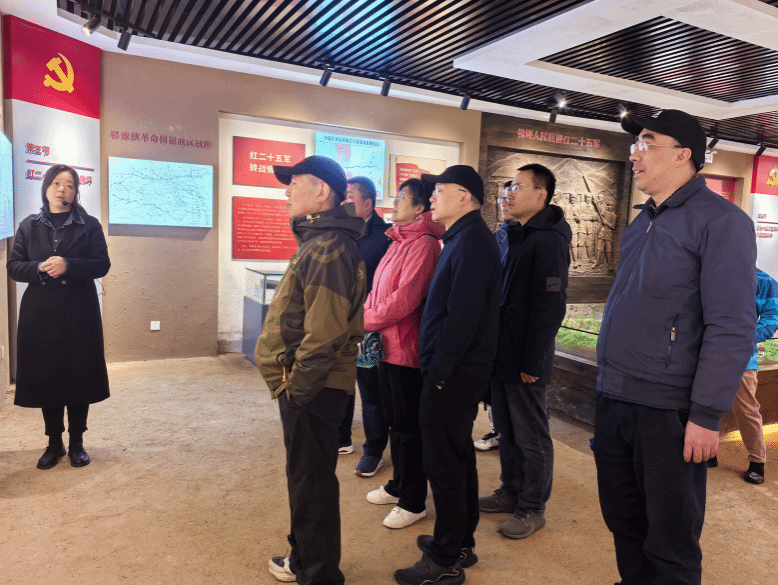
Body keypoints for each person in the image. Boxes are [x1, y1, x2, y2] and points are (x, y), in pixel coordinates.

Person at [594, 109, 757, 585]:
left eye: (646, 143)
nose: (634, 154)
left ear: (683, 155)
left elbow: (732, 326)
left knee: (671, 540)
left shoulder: (722, 221)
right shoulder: (642, 220)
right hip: (615, 395)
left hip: (668, 407)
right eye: (635, 144)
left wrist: (706, 414)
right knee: (623, 519)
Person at [255, 155, 366, 585]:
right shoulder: (321, 241)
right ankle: (304, 558)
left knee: (312, 482)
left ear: (322, 192)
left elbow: (324, 335)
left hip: (313, 387)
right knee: (306, 478)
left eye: (295, 182)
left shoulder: (327, 247)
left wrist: (297, 391)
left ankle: (318, 575)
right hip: (309, 384)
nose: (287, 191)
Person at [394, 166, 500, 585]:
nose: (432, 198)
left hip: (452, 374)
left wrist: (438, 372)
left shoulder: (472, 243)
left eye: (439, 190)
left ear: (464, 196)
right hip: (453, 371)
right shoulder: (461, 237)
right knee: (456, 458)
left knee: (444, 465)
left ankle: (445, 559)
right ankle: (460, 542)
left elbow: (463, 318)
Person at [479, 163, 571, 539]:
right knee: (506, 430)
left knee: (531, 435)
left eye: (517, 187)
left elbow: (551, 306)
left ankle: (532, 507)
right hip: (502, 353)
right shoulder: (514, 234)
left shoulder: (548, 240)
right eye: (507, 188)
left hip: (526, 358)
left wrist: (534, 359)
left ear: (540, 195)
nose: (508, 194)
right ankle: (511, 491)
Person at [7, 164, 111, 469]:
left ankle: (77, 442)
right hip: (40, 312)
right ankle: (54, 443)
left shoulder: (89, 225)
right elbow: (13, 267)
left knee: (80, 374)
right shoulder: (28, 225)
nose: (62, 189)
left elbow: (102, 264)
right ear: (46, 187)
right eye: (56, 183)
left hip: (80, 310)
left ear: (76, 192)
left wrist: (69, 264)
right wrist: (39, 267)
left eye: (69, 184)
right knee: (47, 376)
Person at [363, 178, 444, 529]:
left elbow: (406, 298)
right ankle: (398, 484)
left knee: (408, 426)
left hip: (405, 347)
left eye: (401, 197)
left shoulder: (424, 244)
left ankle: (413, 501)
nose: (394, 202)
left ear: (420, 207)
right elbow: (377, 288)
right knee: (395, 421)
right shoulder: (398, 240)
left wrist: (366, 319)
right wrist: (368, 314)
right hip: (385, 343)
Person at [337, 177, 391, 478]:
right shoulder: (341, 231)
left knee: (371, 392)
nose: (344, 201)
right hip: (339, 321)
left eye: (350, 197)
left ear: (367, 204)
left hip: (369, 327)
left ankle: (374, 450)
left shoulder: (386, 237)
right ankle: (341, 437)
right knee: (341, 382)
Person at [709, 268, 778, 484]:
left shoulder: (763, 280)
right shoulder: (709, 272)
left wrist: (749, 337)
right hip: (707, 354)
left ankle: (757, 461)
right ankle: (709, 452)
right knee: (707, 404)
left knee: (746, 409)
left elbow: (773, 314)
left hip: (741, 358)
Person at [474, 180, 511, 452]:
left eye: (511, 196)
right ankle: (498, 430)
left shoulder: (537, 240)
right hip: (492, 322)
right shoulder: (495, 237)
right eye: (502, 198)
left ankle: (507, 433)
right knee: (493, 385)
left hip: (512, 327)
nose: (505, 203)